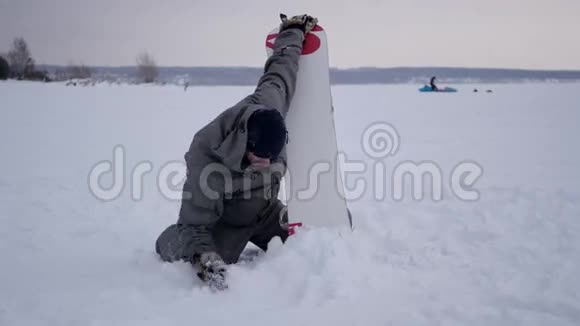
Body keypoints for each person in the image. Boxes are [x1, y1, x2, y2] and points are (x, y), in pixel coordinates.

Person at [154, 14, 318, 289]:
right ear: (245, 143)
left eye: (272, 157)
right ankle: (170, 240)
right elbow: (195, 225)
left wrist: (291, 32)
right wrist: (204, 257)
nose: (267, 164)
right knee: (210, 250)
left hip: (266, 213)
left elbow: (281, 72)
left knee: (309, 237)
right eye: (260, 158)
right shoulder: (206, 159)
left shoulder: (269, 106)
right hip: (225, 225)